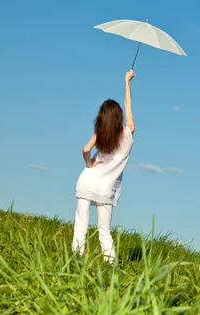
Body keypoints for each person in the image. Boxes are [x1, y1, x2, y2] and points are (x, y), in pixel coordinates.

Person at [71, 69, 135, 263]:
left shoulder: (100, 133)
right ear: (119, 117)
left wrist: (90, 164)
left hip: (87, 181)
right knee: (104, 231)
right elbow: (128, 104)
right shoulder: (127, 132)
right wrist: (127, 82)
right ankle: (111, 266)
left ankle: (76, 261)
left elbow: (85, 149)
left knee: (80, 225)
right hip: (105, 188)